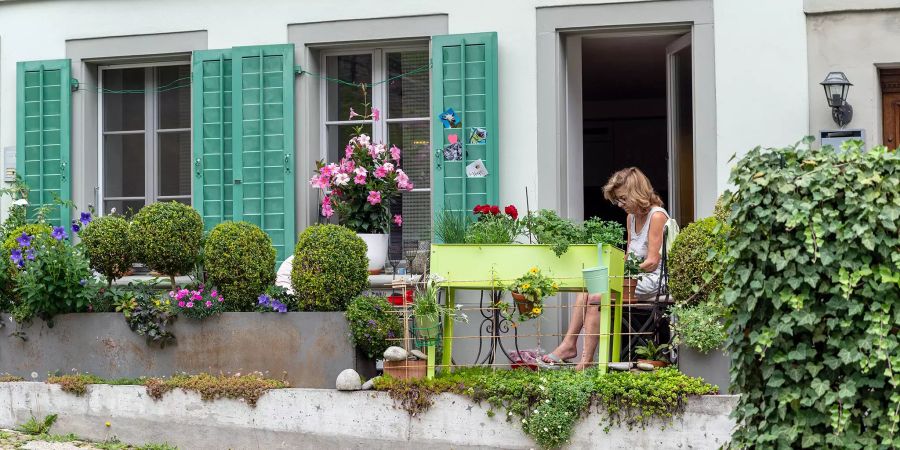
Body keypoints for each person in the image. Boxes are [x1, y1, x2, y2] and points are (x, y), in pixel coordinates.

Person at [541, 167, 669, 370]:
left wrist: (618, 273)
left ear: (636, 192)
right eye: (617, 200)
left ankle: (586, 360)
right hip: (632, 277)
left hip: (650, 280)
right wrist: (614, 270)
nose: (620, 204)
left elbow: (652, 261)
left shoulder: (657, 216)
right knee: (587, 289)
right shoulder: (631, 218)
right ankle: (569, 345)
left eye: (623, 198)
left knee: (595, 295)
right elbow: (629, 255)